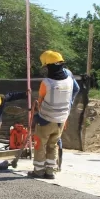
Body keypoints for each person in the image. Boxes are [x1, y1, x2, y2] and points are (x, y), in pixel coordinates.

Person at [28, 50, 80, 180]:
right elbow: (73, 92)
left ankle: (39, 171)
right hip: (61, 120)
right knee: (53, 145)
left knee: (40, 144)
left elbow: (40, 102)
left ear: (48, 66)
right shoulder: (69, 80)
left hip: (46, 119)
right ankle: (50, 171)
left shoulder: (46, 82)